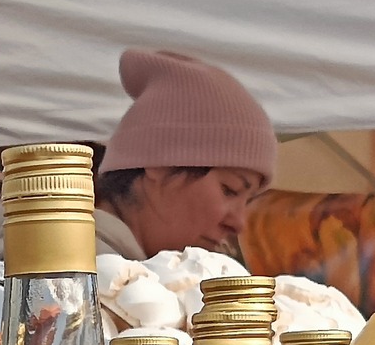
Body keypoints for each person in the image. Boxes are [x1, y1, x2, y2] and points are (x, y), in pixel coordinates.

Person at [94, 48, 276, 261]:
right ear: (160, 162)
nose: (238, 223)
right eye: (230, 190)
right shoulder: (86, 272)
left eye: (248, 201)